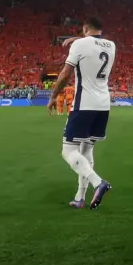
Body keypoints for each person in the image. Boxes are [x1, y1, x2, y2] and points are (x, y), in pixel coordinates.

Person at [47, 17, 114, 211]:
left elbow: (66, 74)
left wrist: (53, 96)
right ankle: (80, 197)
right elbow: (92, 44)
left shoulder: (80, 45)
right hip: (103, 104)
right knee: (86, 150)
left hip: (84, 104)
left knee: (68, 150)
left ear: (85, 28)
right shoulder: (111, 45)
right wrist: (77, 39)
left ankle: (98, 182)